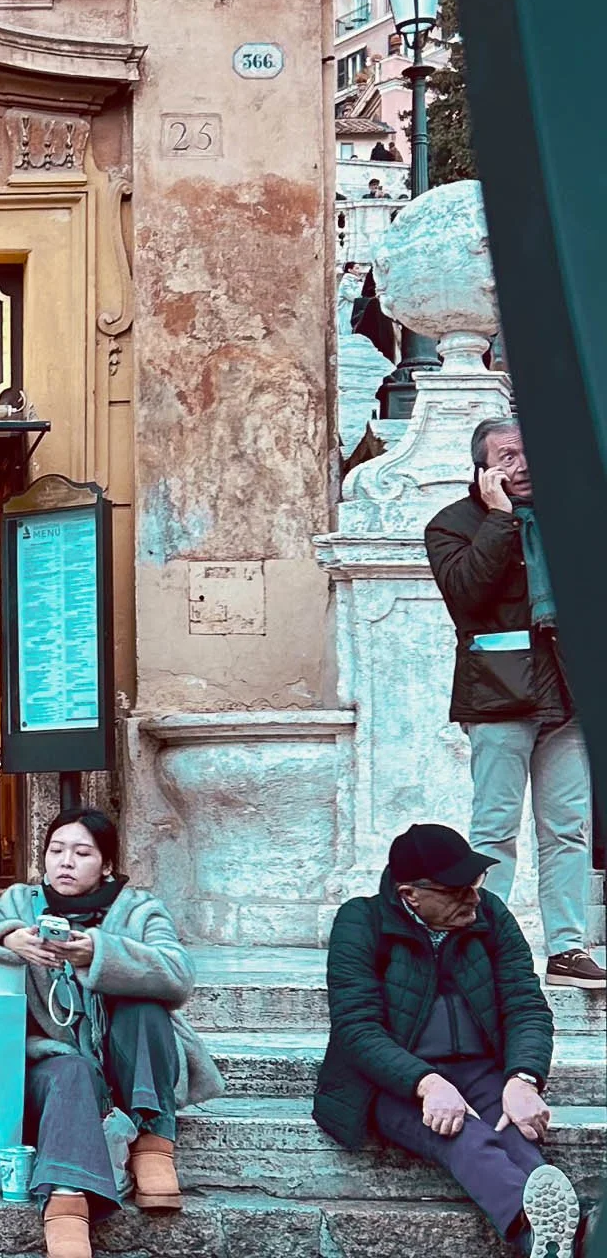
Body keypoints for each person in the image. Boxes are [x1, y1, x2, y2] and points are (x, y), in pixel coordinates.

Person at [0, 808, 223, 1258]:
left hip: (129, 1065)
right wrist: (4, 940)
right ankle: (67, 1204)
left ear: (106, 864)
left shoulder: (139, 910)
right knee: (69, 1069)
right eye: (56, 851)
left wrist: (100, 953)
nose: (65, 862)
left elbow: (179, 975)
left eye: (81, 852)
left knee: (144, 1004)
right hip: (52, 1071)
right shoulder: (16, 903)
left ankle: (153, 1140)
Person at [315, 822, 585, 1258]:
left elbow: (526, 1005)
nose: (474, 898)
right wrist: (428, 1084)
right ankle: (549, 1236)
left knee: (519, 1136)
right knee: (464, 1136)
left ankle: (552, 1240)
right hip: (391, 1081)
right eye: (459, 890)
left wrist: (523, 1078)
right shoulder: (360, 920)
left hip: (482, 1070)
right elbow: (357, 1029)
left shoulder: (492, 915)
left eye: (476, 884)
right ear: (411, 895)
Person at [425, 418, 603, 989]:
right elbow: (467, 595)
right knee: (495, 828)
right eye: (508, 455)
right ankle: (485, 943)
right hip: (498, 698)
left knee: (567, 828)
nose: (523, 465)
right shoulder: (451, 525)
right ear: (484, 468)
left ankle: (568, 949)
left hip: (567, 695)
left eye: (531, 453)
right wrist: (500, 519)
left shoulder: (570, 519)